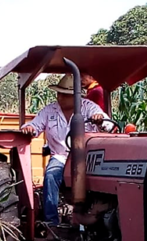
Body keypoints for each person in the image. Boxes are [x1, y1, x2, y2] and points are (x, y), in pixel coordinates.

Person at [21, 74, 111, 226]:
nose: (60, 97)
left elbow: (108, 125)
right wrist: (29, 128)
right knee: (50, 176)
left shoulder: (89, 107)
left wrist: (100, 120)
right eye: (59, 93)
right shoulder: (49, 111)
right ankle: (51, 222)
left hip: (86, 158)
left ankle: (99, 216)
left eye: (65, 94)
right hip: (60, 156)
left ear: (75, 96)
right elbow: (34, 126)